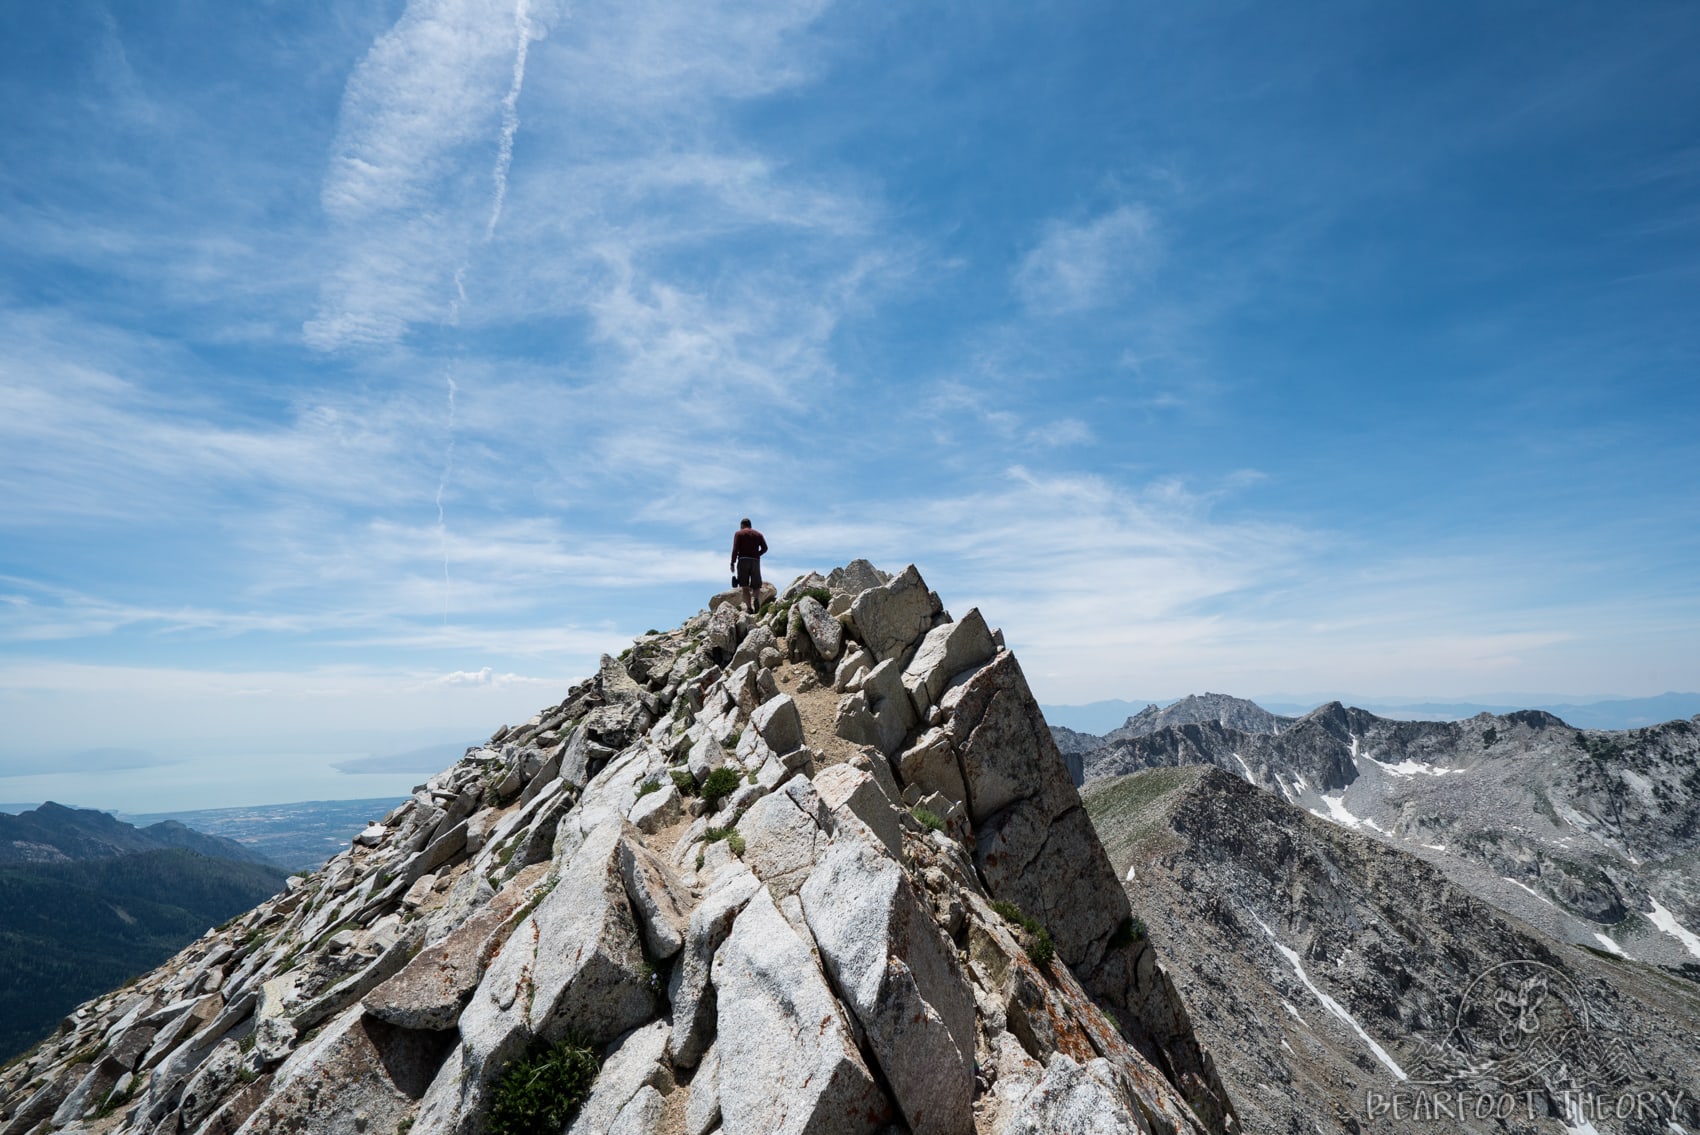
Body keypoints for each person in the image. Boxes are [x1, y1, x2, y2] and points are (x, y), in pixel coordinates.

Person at [730, 518, 768, 613]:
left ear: (742, 525)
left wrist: (732, 563)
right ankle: (755, 599)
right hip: (755, 561)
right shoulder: (758, 534)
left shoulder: (739, 534)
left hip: (743, 560)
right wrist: (757, 554)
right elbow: (765, 548)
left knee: (745, 587)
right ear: (750, 525)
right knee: (756, 586)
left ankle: (749, 608)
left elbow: (735, 549)